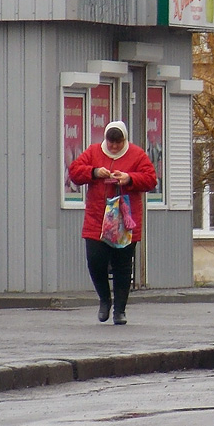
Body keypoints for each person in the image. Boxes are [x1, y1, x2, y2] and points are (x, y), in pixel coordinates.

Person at [67, 121, 157, 325]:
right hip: (97, 218)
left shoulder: (137, 154)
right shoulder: (93, 152)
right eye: (111, 143)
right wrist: (94, 172)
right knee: (95, 261)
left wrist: (129, 178)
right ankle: (104, 299)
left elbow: (151, 179)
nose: (114, 147)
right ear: (105, 140)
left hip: (125, 219)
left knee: (123, 266)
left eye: (118, 143)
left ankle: (120, 310)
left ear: (124, 140)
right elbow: (74, 172)